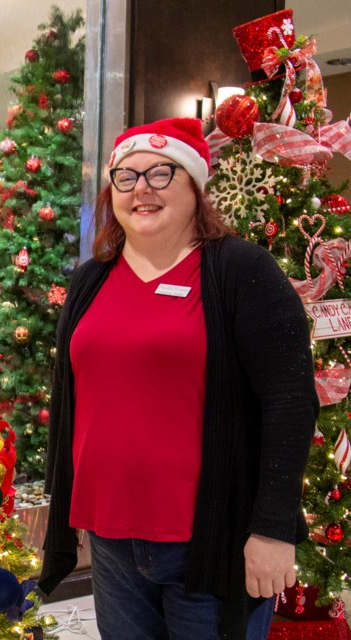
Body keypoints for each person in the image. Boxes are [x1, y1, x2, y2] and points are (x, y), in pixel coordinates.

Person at [38, 118, 318, 640]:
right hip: (111, 539)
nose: (141, 188)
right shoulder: (91, 278)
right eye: (126, 176)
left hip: (211, 541)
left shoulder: (240, 270)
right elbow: (74, 397)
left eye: (162, 173)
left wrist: (274, 530)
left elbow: (291, 403)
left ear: (195, 186)